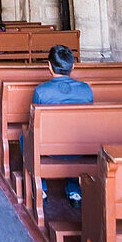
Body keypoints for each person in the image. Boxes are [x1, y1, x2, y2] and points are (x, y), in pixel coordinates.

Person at [28, 44, 93, 207]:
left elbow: (36, 122)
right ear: (73, 66)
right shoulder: (86, 90)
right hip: (81, 148)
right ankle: (74, 189)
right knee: (74, 135)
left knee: (25, 138)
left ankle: (41, 187)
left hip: (49, 149)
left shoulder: (41, 91)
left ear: (49, 66)